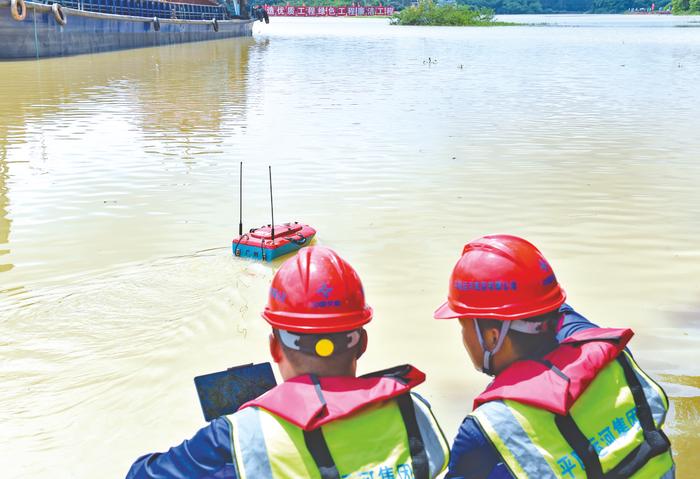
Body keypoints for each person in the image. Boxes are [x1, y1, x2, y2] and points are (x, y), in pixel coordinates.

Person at [127, 246, 449, 479]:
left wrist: (243, 423)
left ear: (274, 348)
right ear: (362, 344)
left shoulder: (239, 435)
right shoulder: (413, 412)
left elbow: (139, 475)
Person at [433, 234, 674, 479]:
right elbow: (560, 311)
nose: (463, 337)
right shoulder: (611, 355)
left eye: (463, 325)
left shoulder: (485, 429)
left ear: (493, 338)